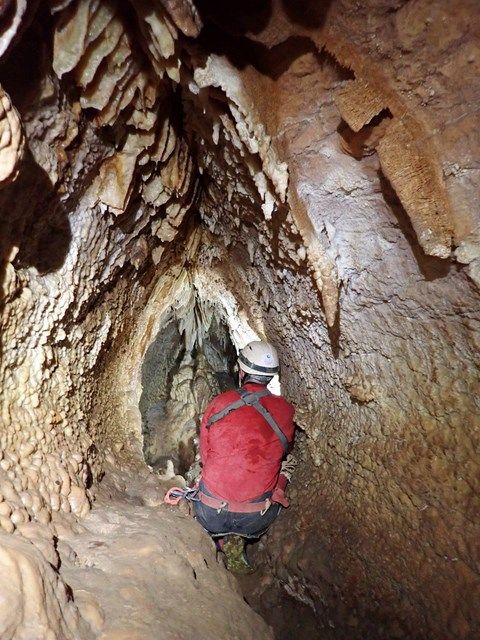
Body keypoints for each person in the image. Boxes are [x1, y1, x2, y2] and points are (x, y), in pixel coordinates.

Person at [193, 340, 296, 574]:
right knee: (284, 468)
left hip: (210, 512)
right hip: (256, 518)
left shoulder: (219, 404)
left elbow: (205, 457)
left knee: (204, 478)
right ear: (271, 377)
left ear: (241, 371)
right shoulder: (286, 410)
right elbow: (284, 449)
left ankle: (217, 540)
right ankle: (239, 540)